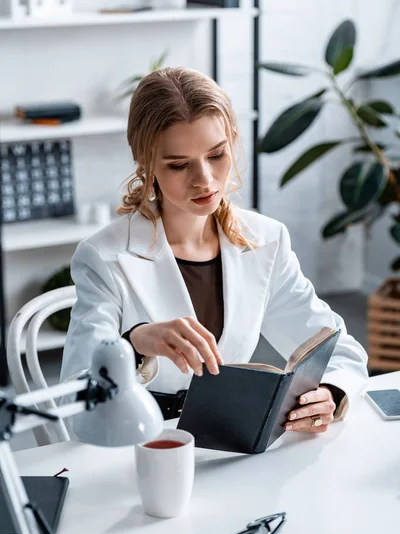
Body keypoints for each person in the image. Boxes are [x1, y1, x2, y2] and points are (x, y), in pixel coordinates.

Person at [60, 66, 368, 443]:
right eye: (178, 165)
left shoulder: (266, 241)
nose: (204, 179)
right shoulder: (104, 257)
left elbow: (341, 351)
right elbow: (75, 395)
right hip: (142, 444)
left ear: (232, 141)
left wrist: (331, 393)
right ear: (146, 163)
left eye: (217, 154)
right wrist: (133, 343)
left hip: (233, 441)